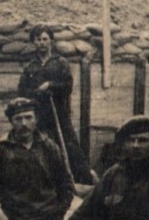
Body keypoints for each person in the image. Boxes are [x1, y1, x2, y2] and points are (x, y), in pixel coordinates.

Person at [16, 25, 92, 184]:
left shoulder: (60, 62)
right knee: (41, 147)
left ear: (51, 41)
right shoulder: (31, 66)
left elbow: (67, 86)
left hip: (58, 112)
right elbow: (22, 91)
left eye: (45, 39)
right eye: (38, 39)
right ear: (33, 42)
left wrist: (50, 86)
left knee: (68, 146)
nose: (42, 43)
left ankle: (80, 180)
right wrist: (35, 94)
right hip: (38, 115)